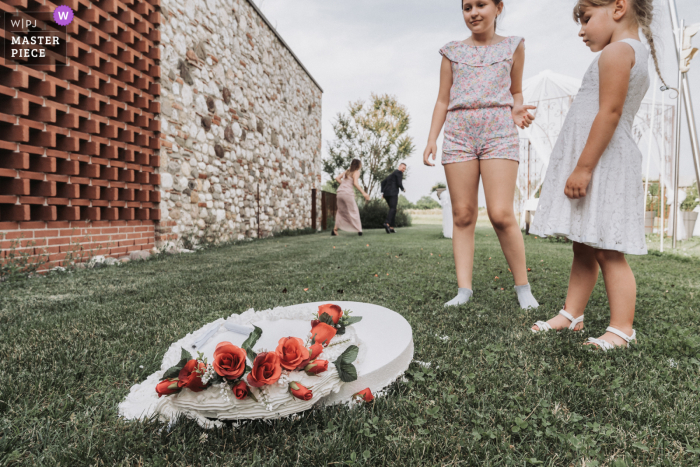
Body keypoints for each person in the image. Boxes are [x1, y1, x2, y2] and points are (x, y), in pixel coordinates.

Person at [530, 0, 666, 350]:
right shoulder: (626, 51)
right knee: (584, 245)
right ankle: (572, 314)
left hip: (601, 162)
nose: (581, 30)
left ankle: (622, 329)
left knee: (608, 249)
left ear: (618, 7)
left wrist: (584, 167)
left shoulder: (618, 52)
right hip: (601, 160)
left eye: (586, 18)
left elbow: (609, 112)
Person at [423, 0, 539, 309]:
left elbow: (516, 91)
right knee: (462, 215)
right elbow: (441, 100)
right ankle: (464, 291)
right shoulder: (451, 52)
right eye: (466, 7)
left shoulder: (515, 46)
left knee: (501, 214)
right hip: (459, 135)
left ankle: (523, 288)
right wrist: (432, 138)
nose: (473, 12)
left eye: (481, 5)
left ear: (499, 7)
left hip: (499, 133)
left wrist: (517, 108)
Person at [333, 159, 370, 237]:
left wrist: (344, 185)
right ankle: (359, 230)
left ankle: (335, 230)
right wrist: (364, 193)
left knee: (340, 211)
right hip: (347, 194)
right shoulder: (356, 172)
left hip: (339, 193)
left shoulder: (347, 171)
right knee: (354, 211)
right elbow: (355, 183)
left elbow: (337, 178)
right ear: (359, 165)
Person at [380, 164, 406, 234]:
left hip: (386, 194)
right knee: (393, 209)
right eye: (403, 168)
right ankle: (387, 223)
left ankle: (391, 227)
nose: (403, 170)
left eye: (404, 169)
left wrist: (382, 192)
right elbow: (399, 183)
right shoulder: (399, 173)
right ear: (399, 167)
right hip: (393, 193)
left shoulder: (391, 175)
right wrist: (403, 189)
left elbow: (382, 183)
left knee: (393, 209)